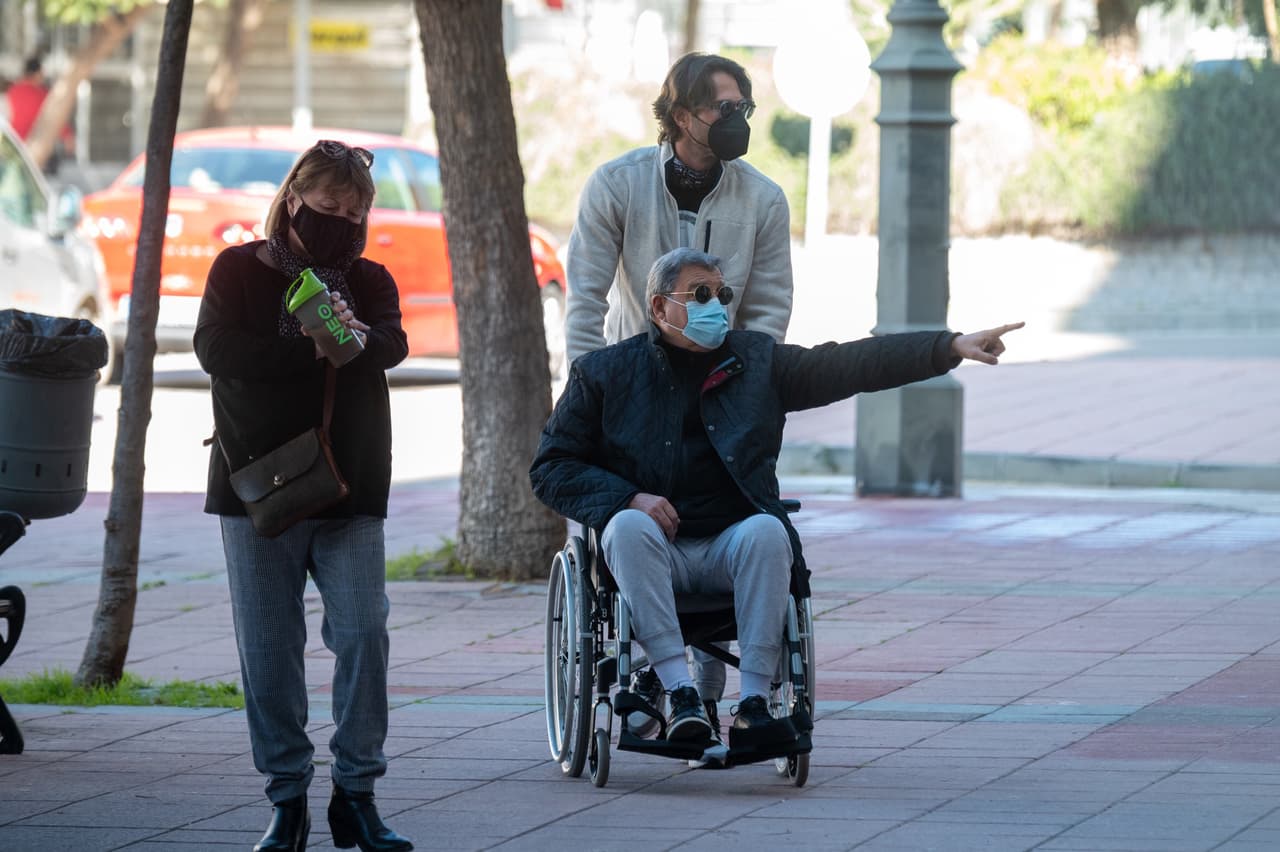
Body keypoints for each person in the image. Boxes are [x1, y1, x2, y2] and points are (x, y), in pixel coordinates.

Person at [530, 247, 1022, 754]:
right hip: (652, 552)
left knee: (768, 529)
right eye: (699, 295)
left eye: (722, 294)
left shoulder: (757, 363)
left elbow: (852, 364)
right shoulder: (606, 374)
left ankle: (754, 705)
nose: (715, 306)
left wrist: (950, 347)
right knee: (625, 526)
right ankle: (680, 694)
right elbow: (551, 468)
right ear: (659, 308)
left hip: (732, 548)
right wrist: (629, 497)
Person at [565, 52, 795, 756]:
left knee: (741, 521)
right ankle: (650, 679)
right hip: (631, 389)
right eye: (723, 108)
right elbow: (584, 299)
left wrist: (745, 378)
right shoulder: (618, 185)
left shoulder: (762, 199)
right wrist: (590, 388)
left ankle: (719, 692)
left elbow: (769, 306)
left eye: (744, 107)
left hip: (721, 387)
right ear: (682, 114)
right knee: (631, 530)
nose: (737, 120)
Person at [194, 139, 413, 852]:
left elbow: (393, 343)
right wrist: (310, 347)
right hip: (258, 488)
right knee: (268, 650)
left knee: (363, 635)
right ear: (293, 199)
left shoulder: (369, 277)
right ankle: (287, 800)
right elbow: (216, 352)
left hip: (348, 483)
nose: (341, 222)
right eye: (328, 208)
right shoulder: (238, 270)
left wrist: (356, 338)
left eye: (354, 213)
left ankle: (357, 793)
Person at [5, 56, 72, 173]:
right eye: (42, 73)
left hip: (13, 144)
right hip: (33, 147)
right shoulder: (40, 94)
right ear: (36, 74)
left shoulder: (12, 91)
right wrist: (67, 136)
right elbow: (54, 117)